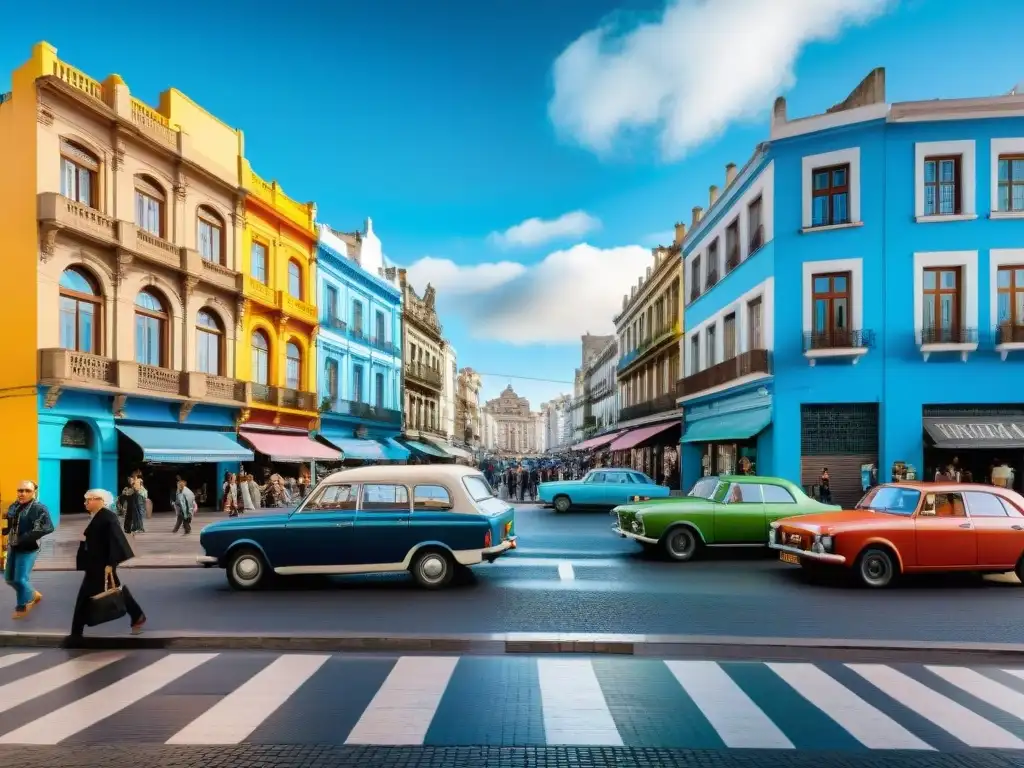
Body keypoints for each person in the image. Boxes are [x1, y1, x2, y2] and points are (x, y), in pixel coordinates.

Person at [71, 488, 146, 638]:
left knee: (84, 597)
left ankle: (76, 633)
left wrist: (111, 564)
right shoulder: (97, 516)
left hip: (102, 565)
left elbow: (116, 540)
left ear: (99, 500)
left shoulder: (108, 517)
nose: (85, 503)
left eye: (88, 500)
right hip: (95, 564)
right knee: (116, 591)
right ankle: (137, 615)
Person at [5, 481, 53, 619]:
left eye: (27, 490)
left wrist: (26, 537)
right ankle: (33, 594)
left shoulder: (39, 508)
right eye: (20, 490)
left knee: (20, 579)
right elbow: (10, 522)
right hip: (13, 546)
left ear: (34, 492)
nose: (23, 493)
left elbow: (48, 527)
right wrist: (6, 531)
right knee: (9, 579)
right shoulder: (14, 506)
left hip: (28, 548)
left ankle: (23, 605)